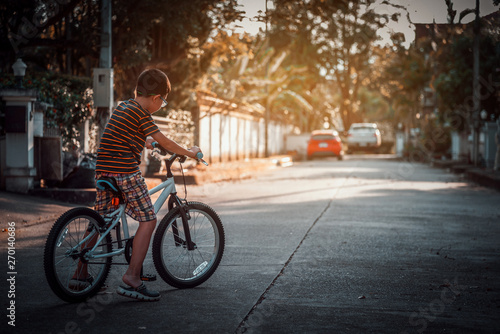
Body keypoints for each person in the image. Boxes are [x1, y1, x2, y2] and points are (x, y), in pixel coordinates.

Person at [71, 68, 201, 301]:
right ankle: (132, 277)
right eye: (164, 100)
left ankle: (80, 274)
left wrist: (149, 143)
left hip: (103, 170)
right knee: (149, 220)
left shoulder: (125, 106)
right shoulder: (142, 114)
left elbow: (142, 135)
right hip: (124, 172)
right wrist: (190, 153)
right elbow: (164, 140)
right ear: (155, 98)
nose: (163, 104)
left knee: (103, 220)